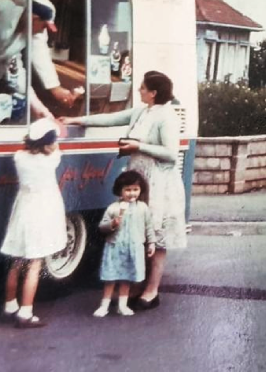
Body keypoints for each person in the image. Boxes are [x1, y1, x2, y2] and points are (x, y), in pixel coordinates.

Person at [61, 71, 186, 310]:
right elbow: (111, 118)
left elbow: (171, 153)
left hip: (159, 183)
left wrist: (139, 145)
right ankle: (138, 285)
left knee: (156, 238)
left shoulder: (167, 116)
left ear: (153, 93)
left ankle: (152, 290)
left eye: (142, 87)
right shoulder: (142, 111)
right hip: (139, 179)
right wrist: (76, 120)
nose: (139, 90)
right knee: (137, 232)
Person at [0, 118, 68, 328]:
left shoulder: (19, 157)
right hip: (43, 210)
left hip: (23, 209)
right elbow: (58, 144)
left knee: (17, 260)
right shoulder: (52, 159)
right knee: (35, 264)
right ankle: (26, 313)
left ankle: (10, 305)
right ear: (48, 144)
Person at [93, 170, 155, 317]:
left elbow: (149, 227)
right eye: (128, 190)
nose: (132, 193)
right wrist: (112, 224)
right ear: (120, 190)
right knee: (111, 277)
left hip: (133, 247)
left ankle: (122, 305)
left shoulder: (143, 208)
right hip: (115, 246)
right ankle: (104, 305)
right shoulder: (113, 208)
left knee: (126, 277)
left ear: (141, 190)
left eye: (135, 189)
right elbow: (102, 226)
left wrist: (151, 242)